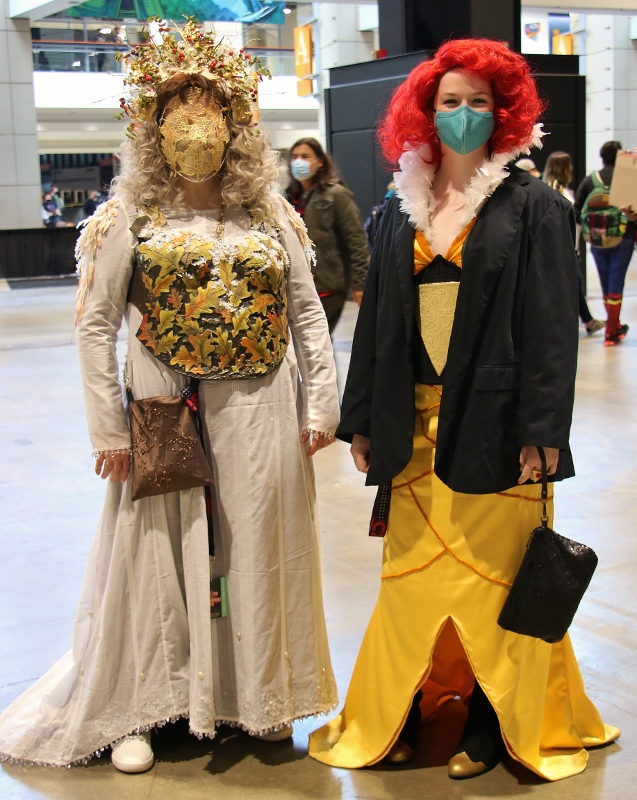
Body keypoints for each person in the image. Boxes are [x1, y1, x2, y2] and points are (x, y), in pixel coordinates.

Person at [0, 20, 339, 773]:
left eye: (211, 109)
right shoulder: (129, 218)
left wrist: (320, 405)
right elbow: (94, 327)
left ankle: (255, 697)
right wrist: (108, 434)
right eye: (180, 111)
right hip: (163, 403)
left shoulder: (269, 214)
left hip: (259, 404)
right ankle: (143, 705)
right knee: (159, 551)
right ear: (153, 128)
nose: (197, 126)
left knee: (256, 549)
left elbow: (305, 309)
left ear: (236, 124)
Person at [309, 39, 618, 782]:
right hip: (410, 433)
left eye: (479, 101)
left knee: (494, 578)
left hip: (498, 429)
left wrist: (543, 430)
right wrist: (361, 420)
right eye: (449, 101)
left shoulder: (535, 206)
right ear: (425, 111)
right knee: (412, 578)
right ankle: (410, 707)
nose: (463, 114)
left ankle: (490, 717)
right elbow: (377, 320)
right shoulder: (393, 210)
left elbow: (551, 323)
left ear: (504, 113)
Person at [286, 138, 369, 332]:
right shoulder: (288, 197)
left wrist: (360, 284)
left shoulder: (336, 194)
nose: (299, 161)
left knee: (317, 339)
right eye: (295, 157)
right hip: (296, 282)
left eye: (305, 156)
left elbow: (356, 240)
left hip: (328, 284)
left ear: (320, 161)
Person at [574, 141, 637, 346]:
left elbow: (575, 211)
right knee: (616, 284)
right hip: (623, 237)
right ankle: (611, 332)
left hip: (597, 240)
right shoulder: (627, 180)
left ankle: (614, 326)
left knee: (605, 284)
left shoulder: (590, 181)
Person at [543, 151, 605, 335]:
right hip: (562, 248)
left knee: (575, 285)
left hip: (567, 247)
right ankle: (587, 322)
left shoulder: (557, 187)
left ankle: (588, 321)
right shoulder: (556, 189)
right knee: (573, 285)